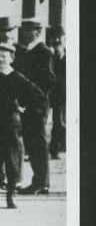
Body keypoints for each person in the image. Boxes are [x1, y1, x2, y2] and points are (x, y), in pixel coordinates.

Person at [0, 43, 46, 209]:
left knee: (12, 162)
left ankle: (10, 196)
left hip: (10, 126)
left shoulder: (17, 77)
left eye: (4, 56)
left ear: (12, 58)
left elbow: (38, 96)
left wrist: (23, 110)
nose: (0, 59)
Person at [14, 18, 55, 195]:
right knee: (32, 143)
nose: (24, 33)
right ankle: (39, 181)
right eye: (23, 30)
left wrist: (34, 95)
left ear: (38, 32)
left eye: (28, 30)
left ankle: (41, 183)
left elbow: (50, 80)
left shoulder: (43, 52)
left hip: (36, 105)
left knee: (37, 143)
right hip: (29, 104)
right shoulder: (29, 51)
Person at [48, 26, 66, 159]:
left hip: (61, 94)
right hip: (49, 93)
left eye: (60, 39)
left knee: (60, 122)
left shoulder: (68, 55)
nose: (57, 40)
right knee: (41, 122)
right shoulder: (48, 54)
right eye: (54, 39)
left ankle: (56, 149)